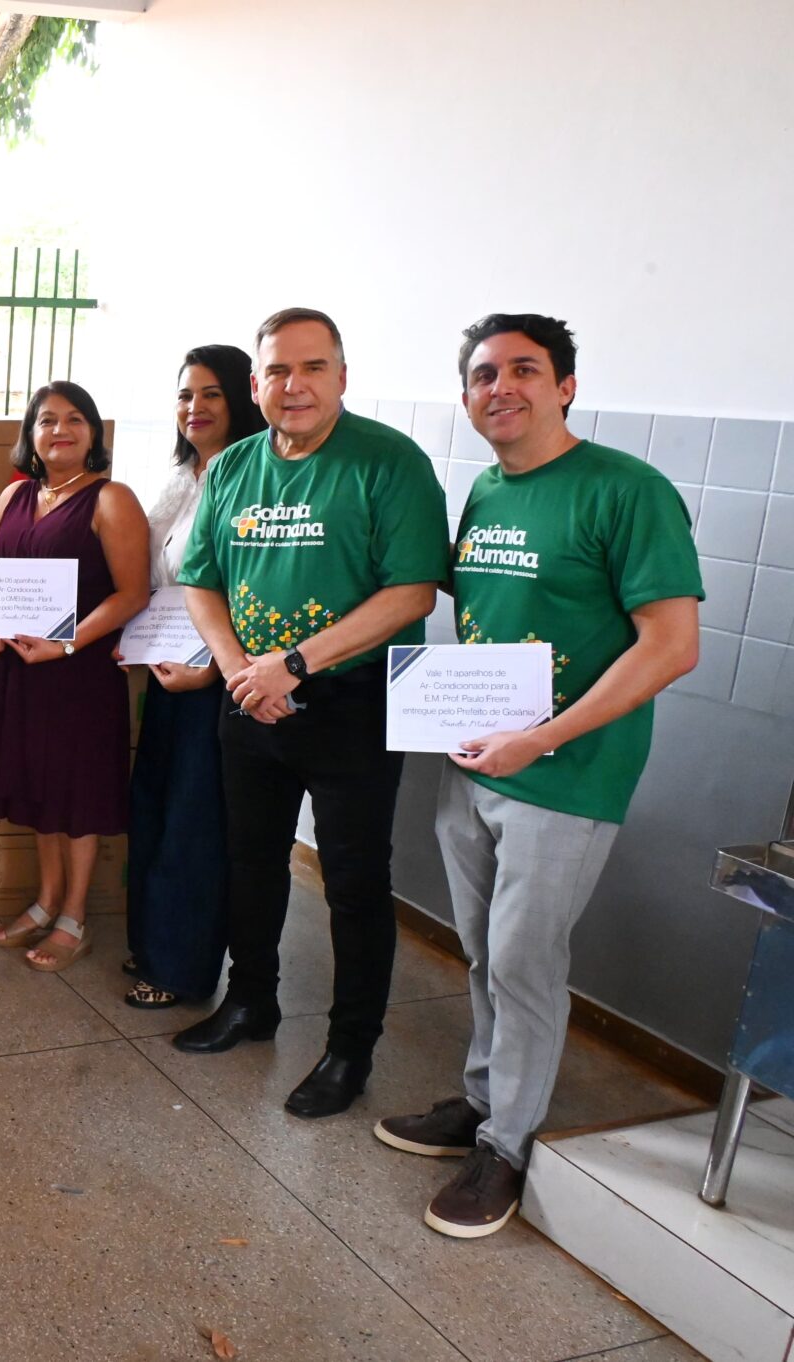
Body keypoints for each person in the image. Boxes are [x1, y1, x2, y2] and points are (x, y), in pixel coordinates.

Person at [375, 315, 701, 1237]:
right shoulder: (486, 489)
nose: (500, 387)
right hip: (478, 764)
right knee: (484, 948)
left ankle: (508, 1147)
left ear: (566, 385)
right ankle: (482, 1104)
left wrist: (543, 735)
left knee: (525, 958)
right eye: (482, 374)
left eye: (525, 370)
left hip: (567, 772)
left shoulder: (628, 493)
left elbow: (672, 646)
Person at [173, 307, 447, 1120]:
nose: (295, 386)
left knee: (356, 884)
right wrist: (239, 671)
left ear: (342, 376)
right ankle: (251, 1001)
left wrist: (293, 664)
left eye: (314, 367)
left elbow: (412, 592)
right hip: (248, 695)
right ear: (255, 385)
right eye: (278, 371)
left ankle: (349, 1049)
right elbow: (201, 579)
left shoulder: (388, 463)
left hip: (350, 701)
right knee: (250, 860)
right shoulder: (234, 468)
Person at [0, 380, 151, 972]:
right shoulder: (14, 497)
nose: (60, 430)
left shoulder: (111, 499)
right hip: (19, 671)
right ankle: (46, 901)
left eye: (75, 419)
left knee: (75, 795)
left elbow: (132, 595)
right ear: (30, 435)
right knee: (37, 789)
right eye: (46, 420)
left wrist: (66, 643)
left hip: (76, 674)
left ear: (94, 434)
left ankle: (75, 916)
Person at [119, 345, 267, 1009]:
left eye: (211, 393)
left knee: (195, 825)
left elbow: (251, 590)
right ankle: (152, 944)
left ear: (242, 398)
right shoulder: (181, 480)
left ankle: (180, 968)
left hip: (221, 679)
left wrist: (212, 670)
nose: (195, 407)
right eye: (185, 395)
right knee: (153, 807)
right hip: (167, 672)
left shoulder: (256, 482)